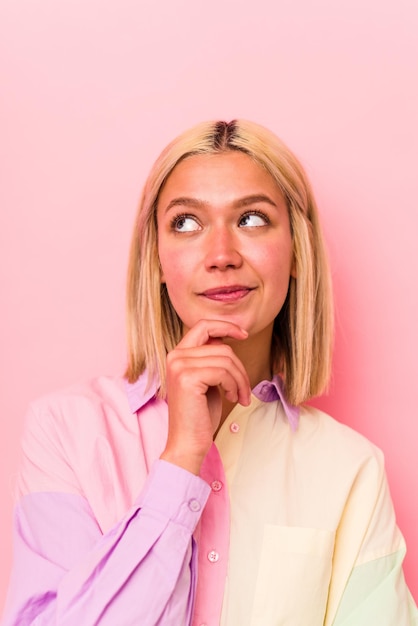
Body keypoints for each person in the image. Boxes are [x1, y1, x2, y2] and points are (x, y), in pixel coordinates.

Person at [2, 120, 417, 626]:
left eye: (252, 219)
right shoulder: (66, 431)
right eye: (186, 223)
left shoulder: (351, 469)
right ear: (155, 258)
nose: (221, 256)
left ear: (295, 251)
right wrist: (179, 463)